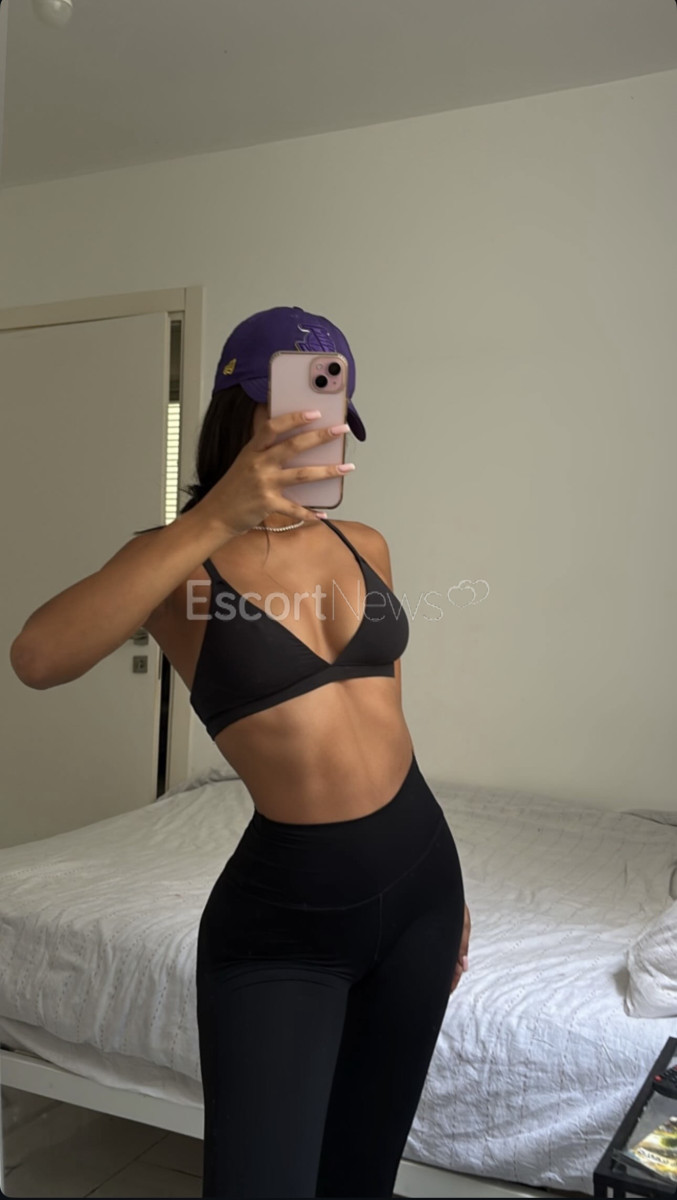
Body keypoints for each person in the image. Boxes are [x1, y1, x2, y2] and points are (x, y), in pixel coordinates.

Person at [10, 305, 470, 1200]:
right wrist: (218, 513)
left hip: (421, 880)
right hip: (288, 922)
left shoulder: (362, 543)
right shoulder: (176, 565)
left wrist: (447, 893)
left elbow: (386, 721)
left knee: (361, 1179)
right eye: (294, 414)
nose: (319, 438)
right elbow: (38, 657)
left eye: (333, 419)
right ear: (238, 415)